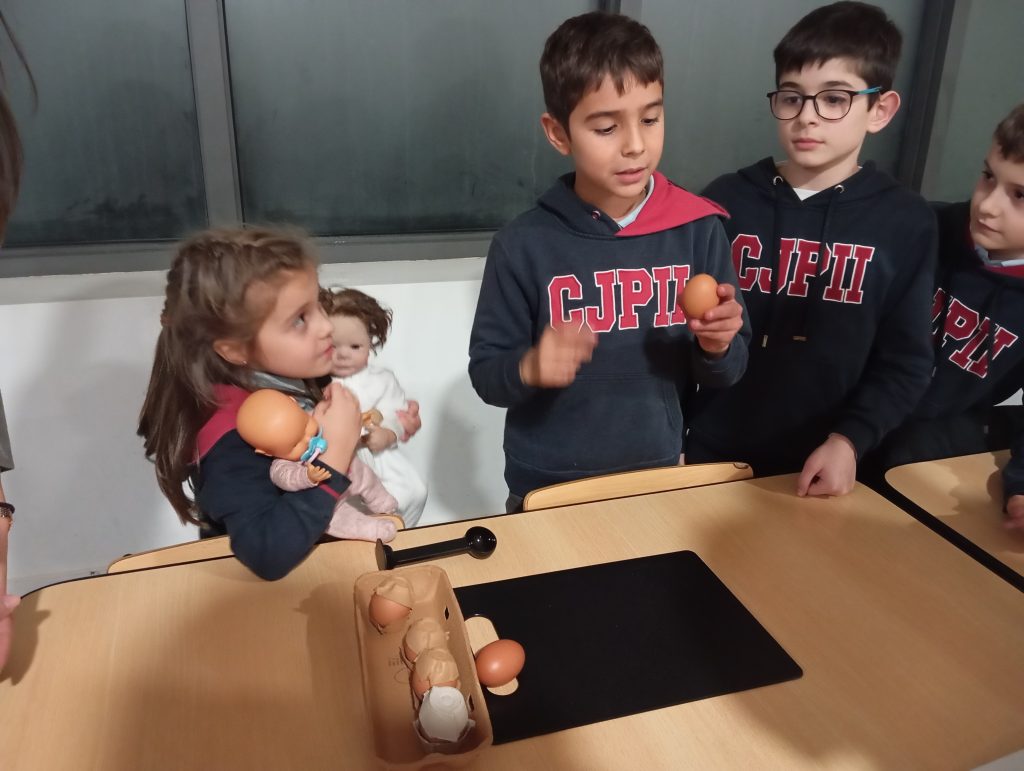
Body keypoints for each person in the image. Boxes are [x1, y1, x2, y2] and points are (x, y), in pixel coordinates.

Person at [468, 11, 749, 512]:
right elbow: (488, 374)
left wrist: (717, 345)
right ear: (558, 134)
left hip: (656, 474)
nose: (635, 145)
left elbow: (727, 372)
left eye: (650, 119)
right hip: (547, 486)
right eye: (605, 127)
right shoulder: (522, 245)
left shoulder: (697, 229)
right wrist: (530, 366)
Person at [686, 1, 937, 497]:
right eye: (792, 97)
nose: (807, 117)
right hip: (711, 451)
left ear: (880, 110)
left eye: (834, 99)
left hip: (825, 463)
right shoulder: (727, 199)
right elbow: (681, 330)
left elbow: (905, 362)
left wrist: (850, 440)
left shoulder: (905, 221)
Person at [138, 227, 366, 581]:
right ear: (234, 350)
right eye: (299, 319)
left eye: (318, 303)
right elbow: (266, 553)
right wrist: (336, 453)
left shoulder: (289, 375)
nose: (326, 326)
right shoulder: (230, 440)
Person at [867, 104, 1024, 531]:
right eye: (988, 176)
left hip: (921, 450)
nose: (987, 205)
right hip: (851, 417)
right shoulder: (925, 227)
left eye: (1020, 195)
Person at [320, 287, 428, 527]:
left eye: (355, 346)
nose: (343, 355)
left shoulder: (382, 380)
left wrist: (389, 433)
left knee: (413, 491)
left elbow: (396, 412)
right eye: (333, 346)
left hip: (378, 454)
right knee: (350, 505)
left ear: (370, 343)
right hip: (341, 458)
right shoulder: (319, 382)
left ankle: (400, 534)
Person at [234, 388, 401, 541]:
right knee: (337, 521)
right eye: (295, 444)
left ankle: (384, 503)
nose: (308, 440)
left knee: (367, 478)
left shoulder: (315, 416)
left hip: (351, 471)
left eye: (305, 426)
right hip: (328, 499)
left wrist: (355, 418)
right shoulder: (280, 465)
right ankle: (373, 531)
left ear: (295, 404)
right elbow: (284, 478)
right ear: (267, 452)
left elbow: (338, 419)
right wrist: (306, 476)